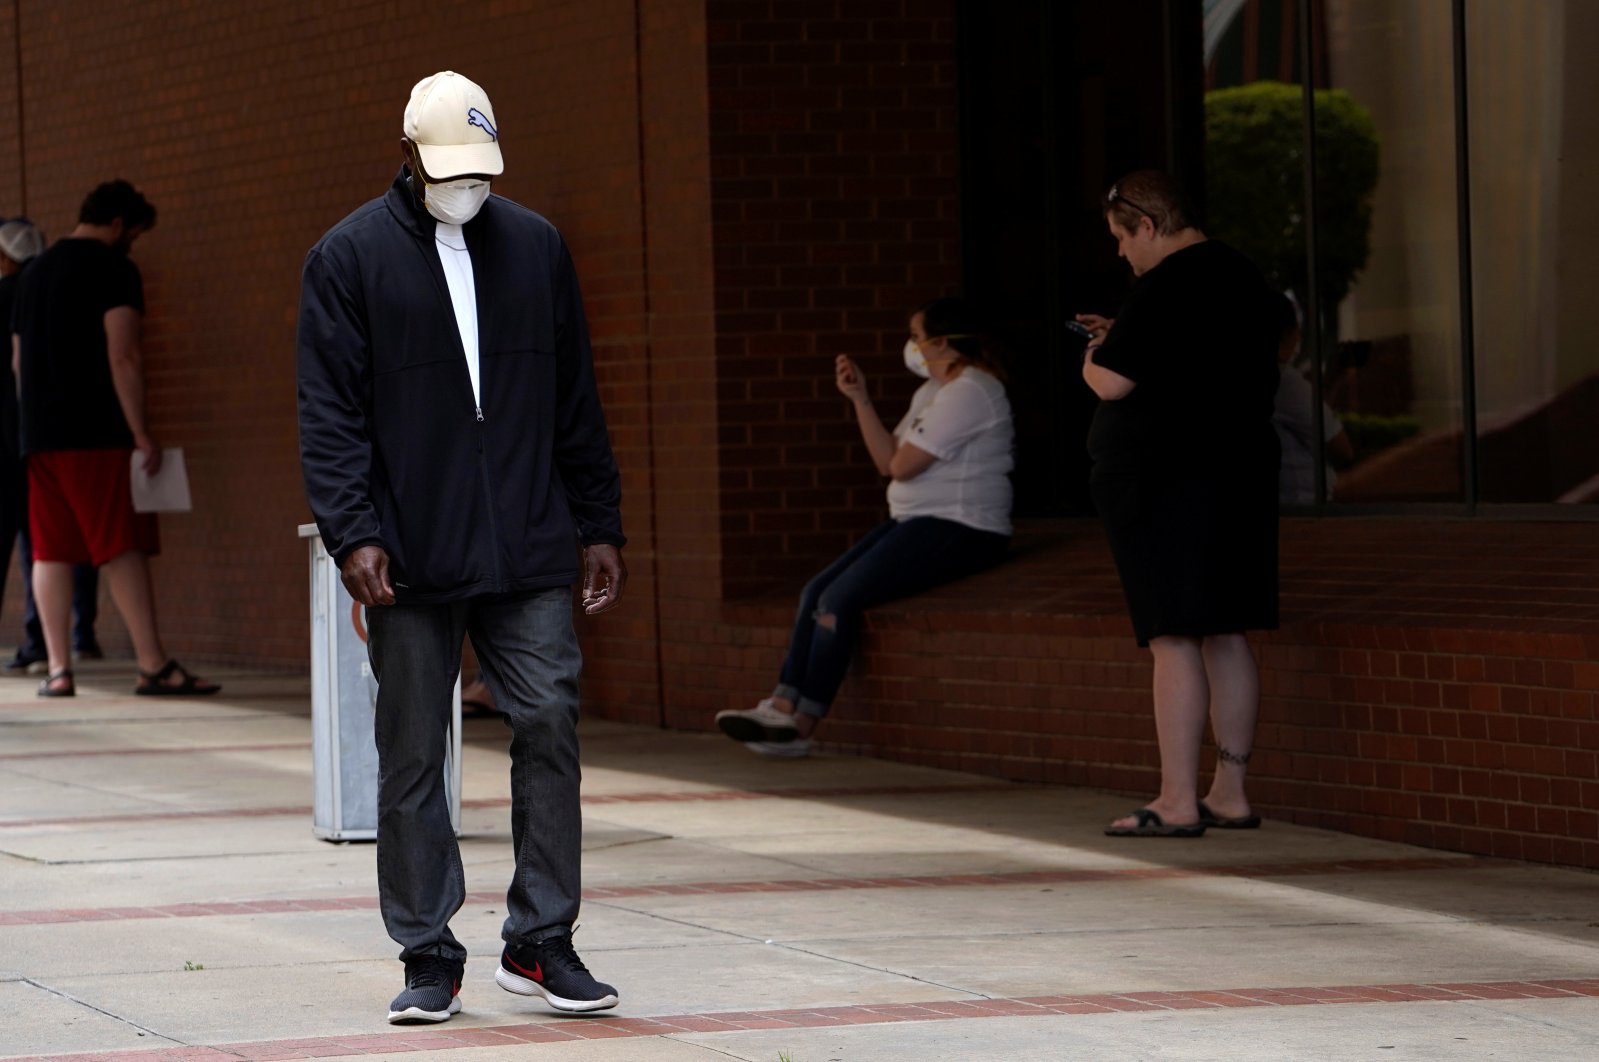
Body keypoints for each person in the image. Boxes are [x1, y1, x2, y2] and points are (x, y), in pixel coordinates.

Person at [297, 70, 627, 1026]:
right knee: (411, 750)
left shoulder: (535, 247)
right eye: (449, 171)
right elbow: (329, 417)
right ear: (408, 155)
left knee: (550, 720)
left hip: (527, 537)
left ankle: (540, 942)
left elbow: (576, 398)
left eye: (480, 171)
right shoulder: (347, 258)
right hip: (406, 548)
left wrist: (598, 521)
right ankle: (427, 950)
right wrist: (351, 531)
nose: (466, 187)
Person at [714, 297, 1014, 757]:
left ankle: (803, 725)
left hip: (962, 526)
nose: (911, 345)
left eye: (916, 336)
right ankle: (780, 706)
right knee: (816, 590)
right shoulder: (933, 391)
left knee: (839, 599)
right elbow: (885, 460)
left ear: (943, 343)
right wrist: (861, 399)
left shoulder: (972, 391)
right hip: (915, 519)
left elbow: (903, 466)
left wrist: (894, 458)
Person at [1077, 170, 1279, 838]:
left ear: (1147, 223)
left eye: (1119, 236)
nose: (1119, 253)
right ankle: (1229, 791)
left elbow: (1110, 383)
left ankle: (1174, 800)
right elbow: (1197, 359)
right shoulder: (1241, 275)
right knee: (1225, 631)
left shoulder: (1163, 283)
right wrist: (1129, 336)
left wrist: (1097, 351)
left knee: (1172, 636)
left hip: (1163, 480)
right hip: (1239, 475)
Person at [10, 182, 218, 699]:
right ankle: (153, 664)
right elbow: (122, 354)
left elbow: (17, 362)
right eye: (136, 235)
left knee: (51, 551)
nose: (134, 246)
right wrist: (141, 431)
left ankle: (58, 670)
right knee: (120, 544)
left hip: (39, 436)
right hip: (96, 432)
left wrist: (32, 422)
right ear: (120, 225)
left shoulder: (30, 275)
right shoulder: (114, 270)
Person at [1, 218, 102, 674]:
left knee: (38, 548)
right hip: (57, 432)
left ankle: (41, 646)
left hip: (20, 437)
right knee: (65, 540)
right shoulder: (57, 286)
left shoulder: (18, 291)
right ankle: (80, 634)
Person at [1271, 292, 1354, 505]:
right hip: (1302, 509)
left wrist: (1331, 383)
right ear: (1286, 335)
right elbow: (1342, 449)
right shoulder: (1283, 382)